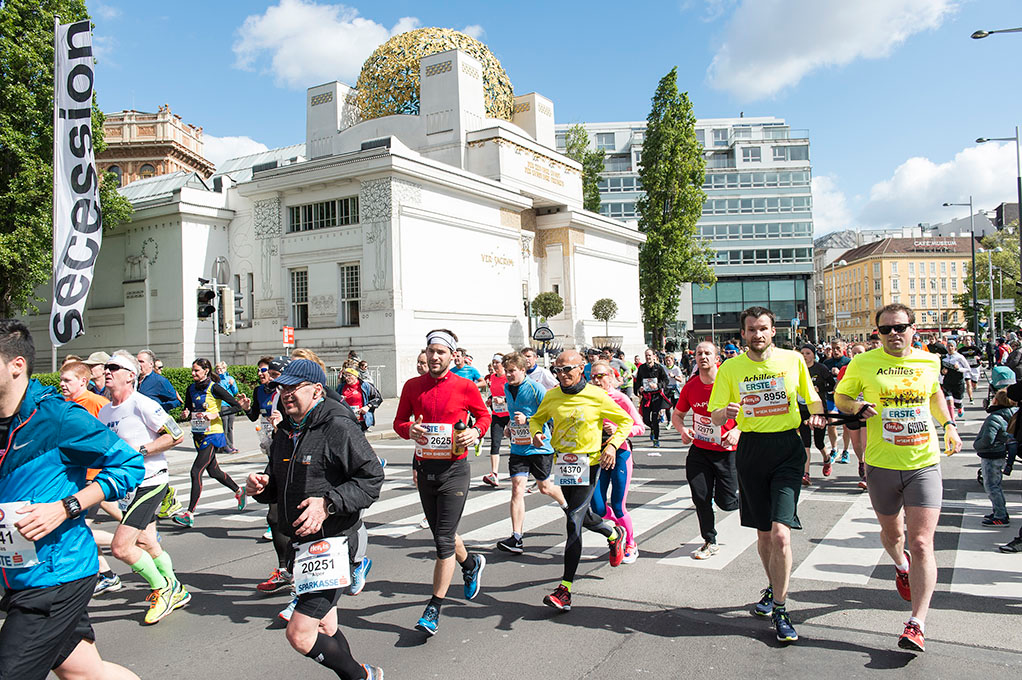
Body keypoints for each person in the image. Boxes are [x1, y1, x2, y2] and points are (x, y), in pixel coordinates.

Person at [0, 320, 143, 680]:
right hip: (16, 574)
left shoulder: (59, 418)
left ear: (17, 365)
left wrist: (66, 507)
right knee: (85, 672)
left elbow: (129, 465)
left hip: (55, 577)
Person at [835, 303, 962, 653]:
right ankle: (900, 565)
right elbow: (841, 396)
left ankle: (916, 622)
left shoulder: (928, 361)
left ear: (913, 329)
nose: (894, 334)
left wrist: (948, 424)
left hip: (923, 462)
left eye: (900, 327)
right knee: (894, 535)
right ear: (877, 333)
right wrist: (855, 407)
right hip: (881, 464)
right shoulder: (863, 363)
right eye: (886, 329)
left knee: (922, 542)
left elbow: (934, 393)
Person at [246, 359, 384, 680]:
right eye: (282, 388)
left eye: (294, 388)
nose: (286, 394)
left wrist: (328, 504)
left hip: (333, 547)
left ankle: (363, 676)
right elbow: (279, 485)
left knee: (299, 634)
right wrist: (263, 488)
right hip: (303, 547)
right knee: (326, 625)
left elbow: (371, 478)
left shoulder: (338, 427)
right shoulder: (286, 432)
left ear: (317, 390)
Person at [708, 306, 826, 643]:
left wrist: (817, 416)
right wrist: (725, 412)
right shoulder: (730, 368)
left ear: (774, 331)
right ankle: (774, 587)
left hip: (787, 448)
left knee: (781, 534)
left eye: (763, 328)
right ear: (743, 334)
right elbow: (715, 416)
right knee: (763, 536)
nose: (757, 335)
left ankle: (781, 607)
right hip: (751, 451)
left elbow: (812, 398)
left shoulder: (792, 360)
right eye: (751, 329)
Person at [393, 329, 490, 636]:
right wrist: (410, 430)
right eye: (431, 352)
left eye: (441, 352)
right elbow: (399, 423)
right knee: (442, 534)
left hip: (454, 471)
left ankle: (434, 607)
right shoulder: (412, 386)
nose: (435, 357)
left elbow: (483, 416)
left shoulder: (464, 386)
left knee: (442, 541)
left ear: (452, 356)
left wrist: (475, 433)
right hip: (425, 470)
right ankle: (471, 562)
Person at [529, 350, 632, 611]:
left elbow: (625, 421)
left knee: (573, 522)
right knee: (582, 517)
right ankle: (612, 532)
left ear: (581, 368)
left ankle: (565, 589)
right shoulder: (552, 396)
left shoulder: (597, 396)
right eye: (558, 370)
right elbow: (537, 419)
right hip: (564, 464)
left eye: (568, 370)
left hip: (590, 464)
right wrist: (537, 433)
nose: (562, 375)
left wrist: (612, 446)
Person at [97, 351, 191, 624]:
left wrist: (139, 450)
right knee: (147, 542)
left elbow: (175, 434)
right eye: (106, 368)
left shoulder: (143, 403)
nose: (107, 371)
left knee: (121, 547)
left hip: (150, 481)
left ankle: (163, 589)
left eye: (114, 367)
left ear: (130, 376)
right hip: (126, 486)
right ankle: (178, 589)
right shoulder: (105, 410)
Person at [673, 342, 739, 559]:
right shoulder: (691, 386)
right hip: (700, 450)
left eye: (707, 353)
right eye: (699, 353)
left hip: (727, 451)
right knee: (701, 497)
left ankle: (752, 499)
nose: (703, 356)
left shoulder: (730, 383)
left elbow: (751, 414)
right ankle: (710, 540)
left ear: (716, 358)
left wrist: (737, 431)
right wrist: (683, 430)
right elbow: (678, 414)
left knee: (726, 502)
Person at [496, 352, 567, 554]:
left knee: (545, 487)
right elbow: (512, 412)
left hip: (539, 445)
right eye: (506, 371)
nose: (508, 375)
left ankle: (567, 505)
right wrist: (510, 425)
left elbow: (551, 414)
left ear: (523, 370)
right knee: (517, 488)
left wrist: (527, 420)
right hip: (518, 447)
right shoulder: (506, 388)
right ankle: (516, 537)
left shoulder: (536, 388)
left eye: (512, 371)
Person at [173, 358, 246, 527]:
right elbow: (190, 408)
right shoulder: (191, 388)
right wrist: (185, 413)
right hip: (198, 433)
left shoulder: (215, 388)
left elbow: (237, 406)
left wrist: (217, 414)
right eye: (192, 370)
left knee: (196, 471)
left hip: (212, 434)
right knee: (214, 471)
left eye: (197, 371)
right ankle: (238, 490)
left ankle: (189, 513)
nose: (193, 374)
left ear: (206, 371)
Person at [238, 356, 292, 579]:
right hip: (274, 452)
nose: (266, 376)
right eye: (264, 371)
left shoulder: (289, 393)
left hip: (294, 457)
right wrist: (246, 409)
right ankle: (284, 569)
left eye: (271, 372)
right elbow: (256, 417)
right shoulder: (265, 392)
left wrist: (282, 427)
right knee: (274, 517)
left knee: (289, 518)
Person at [589, 360, 645, 562]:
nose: (596, 380)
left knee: (619, 505)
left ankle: (631, 542)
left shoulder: (620, 398)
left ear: (610, 377)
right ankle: (620, 530)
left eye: (600, 376)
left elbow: (640, 426)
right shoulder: (588, 399)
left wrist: (620, 430)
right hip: (597, 456)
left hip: (620, 455)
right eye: (593, 376)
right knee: (598, 508)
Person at [974, 389, 1017, 526]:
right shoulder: (1011, 415)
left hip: (991, 454)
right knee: (995, 484)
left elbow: (987, 439)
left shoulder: (994, 418)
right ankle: (999, 511)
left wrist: (977, 445)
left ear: (996, 401)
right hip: (1000, 453)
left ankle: (1000, 515)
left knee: (992, 486)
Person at [799, 345, 835, 483]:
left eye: (807, 353)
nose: (804, 355)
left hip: (819, 409)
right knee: (805, 443)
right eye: (802, 353)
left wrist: (820, 388)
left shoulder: (820, 368)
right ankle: (806, 474)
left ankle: (827, 459)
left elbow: (832, 385)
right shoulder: (797, 369)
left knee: (819, 442)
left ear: (813, 355)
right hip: (802, 409)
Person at [483, 355, 510, 487]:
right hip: (497, 414)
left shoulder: (509, 377)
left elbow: (516, 394)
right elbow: (494, 393)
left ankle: (524, 470)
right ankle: (494, 474)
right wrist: (490, 399)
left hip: (511, 414)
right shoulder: (492, 377)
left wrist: (504, 400)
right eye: (493, 362)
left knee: (517, 442)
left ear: (503, 364)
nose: (494, 365)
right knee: (495, 442)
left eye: (497, 363)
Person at [635, 349, 670, 448]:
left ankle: (656, 439)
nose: (648, 357)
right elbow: (638, 381)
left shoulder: (659, 368)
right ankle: (653, 429)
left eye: (650, 355)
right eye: (646, 355)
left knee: (655, 419)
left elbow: (666, 381)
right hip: (646, 397)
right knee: (646, 419)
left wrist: (658, 385)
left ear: (654, 356)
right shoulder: (642, 368)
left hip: (656, 397)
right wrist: (639, 388)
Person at [339, 367, 383, 432]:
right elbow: (335, 400)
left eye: (349, 375)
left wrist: (368, 406)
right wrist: (340, 399)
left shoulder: (365, 386)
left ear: (355, 376)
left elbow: (378, 398)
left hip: (360, 420)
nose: (346, 378)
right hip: (346, 419)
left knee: (359, 440)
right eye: (345, 375)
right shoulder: (342, 386)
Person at [214, 361, 241, 453]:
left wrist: (232, 384)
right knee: (224, 426)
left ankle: (231, 445)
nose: (219, 371)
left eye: (221, 369)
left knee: (230, 426)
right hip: (222, 404)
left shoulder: (230, 378)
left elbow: (235, 392)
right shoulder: (216, 380)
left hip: (231, 405)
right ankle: (224, 446)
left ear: (225, 369)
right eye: (218, 369)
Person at [940, 341, 970, 419]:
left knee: (957, 403)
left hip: (958, 382)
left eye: (952, 346)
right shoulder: (943, 358)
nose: (950, 348)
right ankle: (952, 421)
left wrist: (959, 368)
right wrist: (942, 372)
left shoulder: (959, 357)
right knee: (949, 401)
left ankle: (960, 407)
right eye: (948, 346)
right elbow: (940, 370)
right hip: (947, 382)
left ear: (955, 347)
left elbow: (968, 369)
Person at [957, 336, 983, 404]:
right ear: (963, 341)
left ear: (971, 341)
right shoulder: (961, 350)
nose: (967, 342)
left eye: (968, 340)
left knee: (974, 383)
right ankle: (971, 398)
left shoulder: (975, 348)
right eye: (966, 340)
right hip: (966, 368)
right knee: (968, 384)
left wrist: (978, 357)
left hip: (975, 367)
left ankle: (975, 384)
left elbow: (982, 355)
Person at [663, 354, 684, 423]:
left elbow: (680, 380)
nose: (668, 362)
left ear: (672, 361)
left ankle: (676, 420)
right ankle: (669, 421)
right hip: (667, 389)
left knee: (675, 407)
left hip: (675, 389)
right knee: (667, 406)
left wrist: (673, 376)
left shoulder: (676, 368)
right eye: (666, 361)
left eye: (669, 360)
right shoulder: (664, 368)